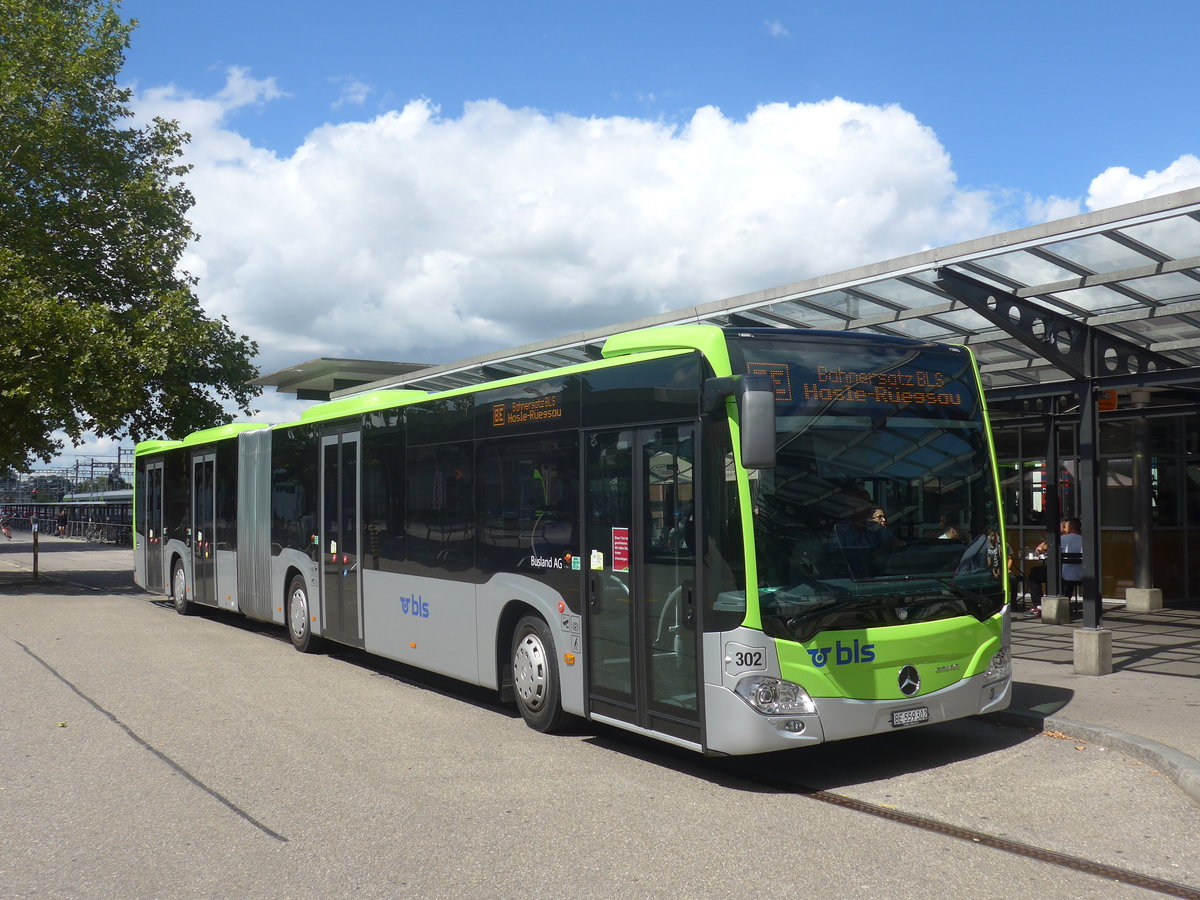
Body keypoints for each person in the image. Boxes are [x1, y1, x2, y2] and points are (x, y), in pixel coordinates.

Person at [1028, 518, 1083, 606]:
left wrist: (1059, 533)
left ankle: (1038, 605)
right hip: (1081, 575)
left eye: (1065, 526)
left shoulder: (1063, 539)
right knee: (1064, 569)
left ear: (1070, 528)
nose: (1064, 528)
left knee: (1034, 573)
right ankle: (1066, 600)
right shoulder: (1086, 540)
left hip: (1063, 576)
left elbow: (1040, 549)